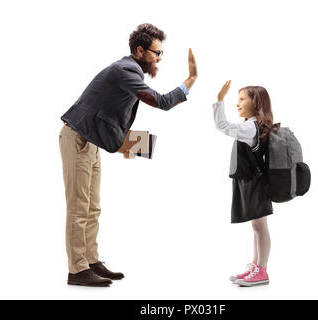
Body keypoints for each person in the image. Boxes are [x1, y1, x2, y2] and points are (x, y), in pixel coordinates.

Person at [59, 23, 198, 287]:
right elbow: (162, 102)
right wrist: (190, 80)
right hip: (77, 139)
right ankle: (77, 270)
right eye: (156, 53)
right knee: (79, 208)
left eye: (161, 53)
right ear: (140, 50)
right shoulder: (126, 71)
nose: (159, 58)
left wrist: (134, 145)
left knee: (93, 207)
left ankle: (90, 261)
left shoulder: (130, 71)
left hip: (91, 141)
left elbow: (113, 117)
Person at [212, 81, 280, 286]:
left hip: (254, 182)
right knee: (257, 226)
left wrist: (219, 100)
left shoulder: (250, 127)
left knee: (260, 226)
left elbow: (222, 126)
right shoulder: (252, 125)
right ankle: (256, 266)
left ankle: (262, 271)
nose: (238, 104)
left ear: (256, 102)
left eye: (242, 99)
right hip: (251, 181)